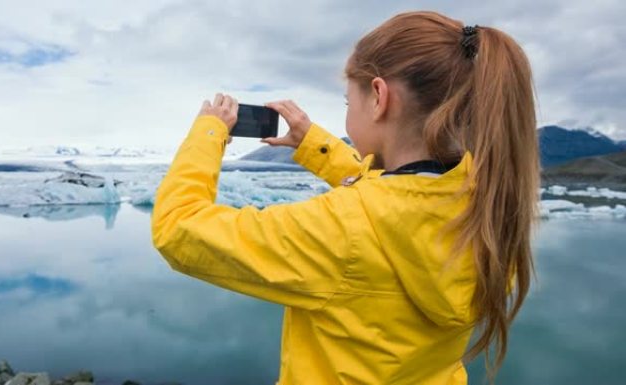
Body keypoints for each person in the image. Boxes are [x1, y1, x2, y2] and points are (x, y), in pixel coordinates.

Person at [151, 10, 540, 385]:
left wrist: (208, 133)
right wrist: (316, 145)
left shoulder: (340, 231)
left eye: (346, 101)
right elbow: (401, 196)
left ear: (378, 96)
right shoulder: (487, 202)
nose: (346, 112)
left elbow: (178, 227)